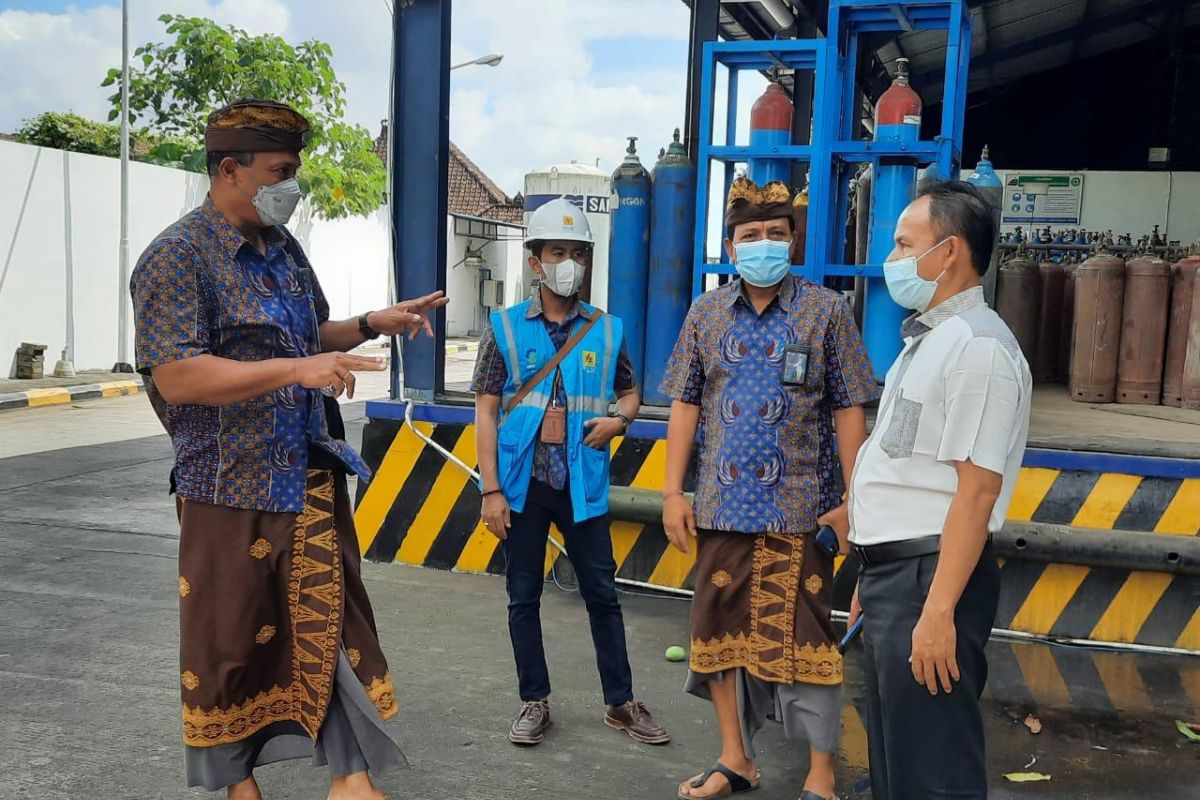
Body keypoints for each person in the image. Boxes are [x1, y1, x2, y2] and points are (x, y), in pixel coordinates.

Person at [130, 98, 448, 800]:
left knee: (324, 624)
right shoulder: (176, 257)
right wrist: (295, 370)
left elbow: (312, 333)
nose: (291, 186)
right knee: (229, 644)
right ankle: (236, 786)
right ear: (230, 169)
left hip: (305, 474)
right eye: (280, 172)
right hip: (226, 487)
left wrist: (370, 323)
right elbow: (178, 375)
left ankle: (352, 781)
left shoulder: (283, 250)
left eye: (294, 171)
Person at [660, 176, 879, 800]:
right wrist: (674, 493)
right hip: (722, 508)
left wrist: (852, 498)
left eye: (775, 235)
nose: (763, 245)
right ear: (732, 247)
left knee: (808, 643)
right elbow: (685, 405)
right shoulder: (705, 314)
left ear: (793, 242)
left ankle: (820, 775)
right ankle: (736, 758)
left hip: (800, 509)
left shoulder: (826, 311)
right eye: (750, 236)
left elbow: (848, 408)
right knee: (716, 632)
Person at [846, 179, 1033, 800]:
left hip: (931, 578)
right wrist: (874, 578)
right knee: (898, 765)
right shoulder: (928, 339)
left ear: (948, 252)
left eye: (905, 244)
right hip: (900, 577)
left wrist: (937, 611)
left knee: (932, 775)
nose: (894, 259)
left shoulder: (979, 347)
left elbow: (976, 493)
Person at [471, 198, 670, 748]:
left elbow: (630, 392)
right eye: (558, 252)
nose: (570, 263)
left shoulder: (607, 330)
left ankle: (621, 703)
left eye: (579, 253)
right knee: (522, 597)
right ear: (535, 261)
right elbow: (486, 411)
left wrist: (620, 420)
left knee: (603, 595)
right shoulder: (504, 329)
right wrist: (490, 489)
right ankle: (534, 701)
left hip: (583, 484)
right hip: (522, 485)